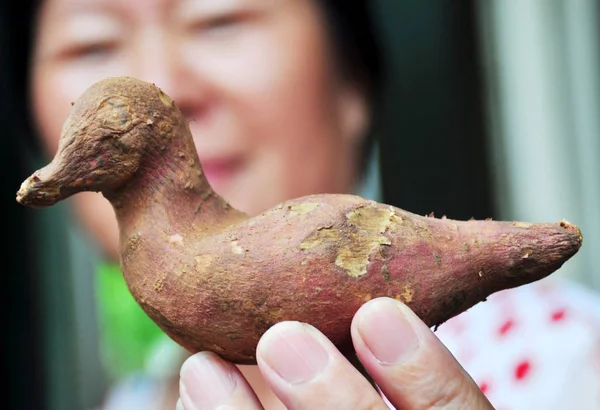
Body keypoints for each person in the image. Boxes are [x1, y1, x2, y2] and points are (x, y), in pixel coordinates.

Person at [19, 0, 600, 408]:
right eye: (91, 42)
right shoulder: (123, 401)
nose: (161, 81)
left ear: (353, 80)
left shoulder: (573, 370)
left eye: (220, 18)